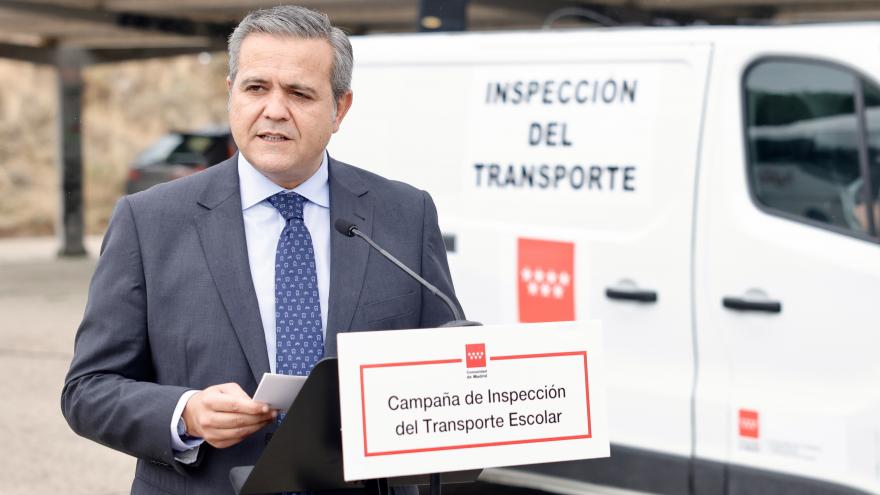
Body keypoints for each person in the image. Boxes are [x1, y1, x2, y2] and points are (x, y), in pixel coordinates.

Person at [61, 6, 461, 495]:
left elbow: (448, 375)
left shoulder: (404, 214)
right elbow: (89, 389)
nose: (274, 109)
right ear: (230, 93)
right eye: (255, 88)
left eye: (299, 93)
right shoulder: (149, 222)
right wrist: (184, 413)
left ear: (339, 109)